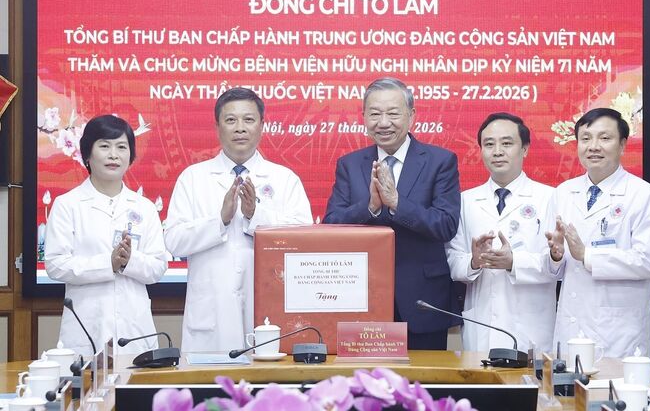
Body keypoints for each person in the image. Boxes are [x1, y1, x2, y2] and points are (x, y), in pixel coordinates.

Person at [165, 87, 313, 353]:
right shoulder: (193, 178)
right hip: (210, 315)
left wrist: (255, 216)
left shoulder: (285, 179)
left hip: (268, 308)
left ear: (262, 126)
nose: (240, 128)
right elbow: (174, 241)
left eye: (249, 119)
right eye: (231, 120)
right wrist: (220, 221)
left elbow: (304, 242)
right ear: (217, 127)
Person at [323, 77, 461, 349]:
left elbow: (446, 224)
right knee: (366, 375)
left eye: (393, 114)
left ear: (412, 115)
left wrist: (397, 202)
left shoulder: (440, 161)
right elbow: (331, 225)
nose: (383, 123)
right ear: (364, 117)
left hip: (423, 300)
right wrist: (371, 207)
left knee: (425, 376)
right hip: (361, 297)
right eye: (375, 114)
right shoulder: (349, 164)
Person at [545, 108, 650, 358]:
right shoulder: (563, 192)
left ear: (622, 145)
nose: (593, 146)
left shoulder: (643, 194)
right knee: (568, 382)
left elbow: (647, 261)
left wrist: (586, 255)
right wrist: (555, 256)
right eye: (586, 138)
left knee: (615, 382)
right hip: (571, 325)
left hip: (619, 334)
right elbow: (554, 269)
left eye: (604, 138)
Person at [45, 115, 167, 355]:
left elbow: (157, 267)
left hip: (134, 329)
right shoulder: (67, 204)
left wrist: (129, 261)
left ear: (131, 156)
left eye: (121, 147)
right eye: (104, 146)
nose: (114, 155)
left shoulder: (144, 207)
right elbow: (55, 264)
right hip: (86, 325)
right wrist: (107, 264)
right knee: (87, 378)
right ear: (87, 155)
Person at [445, 113, 556, 353]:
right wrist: (474, 261)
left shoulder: (550, 198)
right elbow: (452, 260)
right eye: (489, 144)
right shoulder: (465, 201)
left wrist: (513, 262)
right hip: (482, 323)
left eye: (507, 143)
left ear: (525, 149)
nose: (497, 152)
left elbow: (557, 265)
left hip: (531, 325)